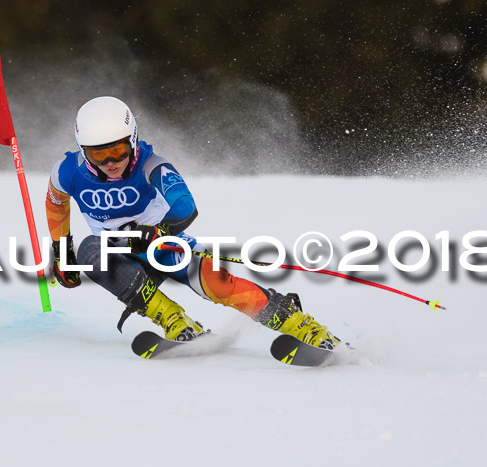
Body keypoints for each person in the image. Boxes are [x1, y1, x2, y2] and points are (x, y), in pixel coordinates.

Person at [45, 96, 340, 348]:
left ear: (132, 140)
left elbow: (185, 205)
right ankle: (175, 320)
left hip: (163, 246)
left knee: (217, 285)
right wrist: (61, 252)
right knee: (90, 250)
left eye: (118, 150)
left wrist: (158, 232)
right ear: (83, 150)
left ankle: (303, 327)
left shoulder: (151, 165)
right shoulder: (67, 172)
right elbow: (56, 202)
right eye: (99, 153)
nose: (110, 161)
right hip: (118, 257)